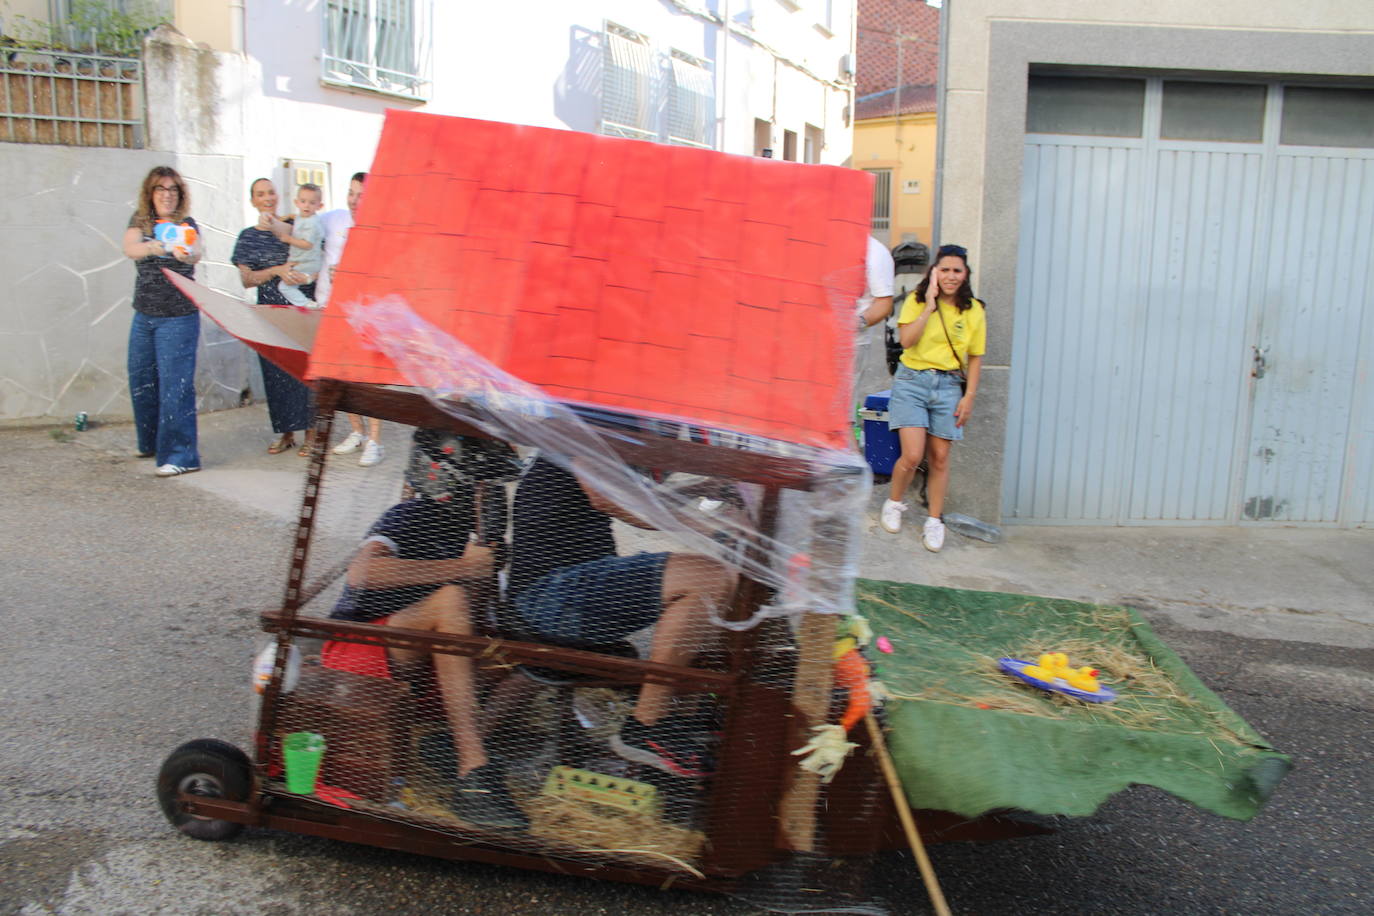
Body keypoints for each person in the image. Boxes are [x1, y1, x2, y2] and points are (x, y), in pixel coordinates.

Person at [321, 430, 523, 828]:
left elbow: (475, 619)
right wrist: (463, 569)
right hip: (360, 651)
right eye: (486, 487)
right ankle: (471, 769)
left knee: (522, 647)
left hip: (418, 668)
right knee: (449, 600)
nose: (494, 497)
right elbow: (362, 574)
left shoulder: (475, 534)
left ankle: (447, 744)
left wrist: (484, 570)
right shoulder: (410, 515)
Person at [508, 456, 735, 778]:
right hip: (548, 599)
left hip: (574, 590)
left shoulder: (602, 435)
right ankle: (646, 725)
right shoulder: (583, 427)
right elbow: (607, 499)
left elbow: (642, 498)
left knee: (720, 586)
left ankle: (685, 719)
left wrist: (704, 488)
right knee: (708, 578)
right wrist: (715, 531)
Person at [879, 244, 985, 552]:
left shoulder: (974, 310)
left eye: (957, 271)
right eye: (945, 270)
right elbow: (907, 340)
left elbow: (975, 357)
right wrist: (929, 306)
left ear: (965, 275)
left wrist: (969, 398)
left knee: (939, 457)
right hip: (912, 381)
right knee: (912, 455)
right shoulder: (915, 300)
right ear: (934, 272)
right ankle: (894, 502)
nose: (951, 276)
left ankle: (934, 521)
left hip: (950, 385)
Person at [121, 166, 204, 477]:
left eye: (173, 190)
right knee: (141, 380)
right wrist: (154, 246)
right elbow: (129, 247)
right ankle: (151, 442)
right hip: (144, 315)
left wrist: (184, 252)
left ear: (179, 195)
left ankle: (183, 456)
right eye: (160, 189)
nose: (167, 194)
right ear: (150, 193)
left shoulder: (187, 224)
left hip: (178, 318)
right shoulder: (140, 221)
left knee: (175, 387)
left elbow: (195, 252)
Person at [231, 178, 317, 456]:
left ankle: (312, 434)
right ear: (253, 201)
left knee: (304, 372)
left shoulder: (294, 226)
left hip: (300, 311)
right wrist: (277, 270)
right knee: (276, 375)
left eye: (271, 192)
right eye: (260, 194)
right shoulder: (247, 237)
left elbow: (314, 249)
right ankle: (286, 433)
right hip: (268, 313)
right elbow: (246, 280)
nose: (267, 198)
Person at [318, 172, 384, 467]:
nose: (354, 200)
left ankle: (375, 441)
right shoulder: (338, 223)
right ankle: (357, 432)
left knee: (367, 379)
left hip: (370, 315)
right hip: (340, 311)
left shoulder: (380, 230)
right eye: (351, 193)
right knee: (341, 374)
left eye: (361, 194)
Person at [274, 183, 325, 310]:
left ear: (320, 206)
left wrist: (289, 239)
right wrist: (288, 216)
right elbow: (297, 218)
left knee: (284, 286)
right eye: (303, 201)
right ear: (296, 202)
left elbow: (307, 244)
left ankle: (306, 303)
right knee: (286, 284)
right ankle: (306, 302)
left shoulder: (312, 223)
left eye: (312, 203)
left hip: (307, 262)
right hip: (302, 260)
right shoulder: (302, 217)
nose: (307, 205)